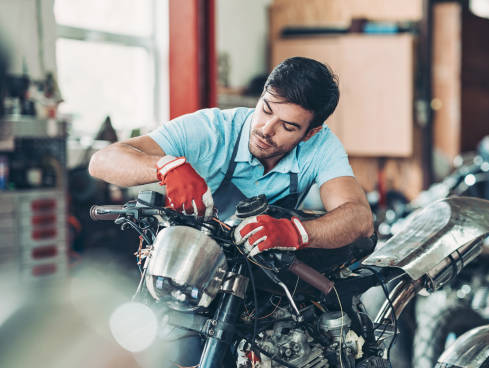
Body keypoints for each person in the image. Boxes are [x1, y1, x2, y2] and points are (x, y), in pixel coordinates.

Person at [89, 57, 374, 256]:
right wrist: (166, 166)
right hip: (189, 261)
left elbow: (359, 217)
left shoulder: (321, 146)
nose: (266, 129)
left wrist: (296, 233)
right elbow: (102, 161)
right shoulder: (212, 130)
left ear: (310, 133)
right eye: (266, 109)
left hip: (259, 271)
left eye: (287, 126)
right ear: (262, 96)